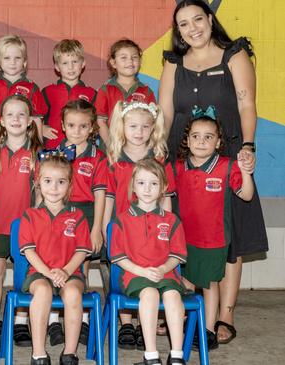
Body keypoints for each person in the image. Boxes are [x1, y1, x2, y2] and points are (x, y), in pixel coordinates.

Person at [159, 0, 268, 344]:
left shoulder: (233, 54)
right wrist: (158, 151)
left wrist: (247, 148)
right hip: (182, 160)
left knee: (228, 236)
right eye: (183, 24)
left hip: (226, 157)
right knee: (184, 233)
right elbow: (164, 112)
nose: (192, 28)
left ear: (210, 19)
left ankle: (225, 315)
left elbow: (246, 103)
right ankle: (183, 308)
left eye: (197, 20)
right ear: (177, 31)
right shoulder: (173, 63)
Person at [172, 106, 255, 350]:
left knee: (209, 285)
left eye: (208, 137)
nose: (201, 141)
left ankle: (207, 330)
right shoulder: (178, 167)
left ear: (218, 142)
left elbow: (247, 195)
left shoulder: (227, 166)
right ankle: (188, 325)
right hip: (183, 240)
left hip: (213, 241)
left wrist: (247, 173)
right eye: (195, 136)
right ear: (187, 140)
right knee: (185, 284)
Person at [102, 101, 174, 351]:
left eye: (145, 126)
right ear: (122, 127)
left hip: (152, 232)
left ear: (153, 128)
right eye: (133, 126)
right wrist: (104, 228)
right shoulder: (113, 159)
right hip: (122, 230)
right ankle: (126, 325)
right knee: (123, 274)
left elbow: (167, 196)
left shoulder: (160, 159)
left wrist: (166, 229)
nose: (139, 131)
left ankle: (147, 325)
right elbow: (108, 196)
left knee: (150, 271)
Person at [110, 159, 187, 365]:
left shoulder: (171, 220)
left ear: (163, 187)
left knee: (172, 296)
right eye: (142, 183)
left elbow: (178, 255)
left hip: (165, 274)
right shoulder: (123, 219)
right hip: (135, 275)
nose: (147, 189)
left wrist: (162, 268)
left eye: (154, 183)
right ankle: (151, 356)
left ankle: (177, 355)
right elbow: (118, 257)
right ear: (133, 186)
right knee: (150, 294)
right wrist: (142, 272)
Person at [19, 151, 92, 365]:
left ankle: (69, 353)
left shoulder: (77, 216)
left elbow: (82, 250)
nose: (54, 187)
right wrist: (48, 272)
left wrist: (66, 271)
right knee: (42, 291)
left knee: (72, 294)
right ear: (38, 183)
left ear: (69, 186)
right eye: (48, 181)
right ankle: (39, 353)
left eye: (61, 182)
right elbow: (29, 251)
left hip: (71, 273)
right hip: (39, 273)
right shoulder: (30, 215)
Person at [0, 95, 42, 345]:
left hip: (24, 228)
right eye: (10, 115)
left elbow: (40, 191)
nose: (16, 119)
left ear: (29, 121)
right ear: (2, 122)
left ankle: (19, 322)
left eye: (21, 115)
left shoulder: (36, 153)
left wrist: (37, 221)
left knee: (22, 275)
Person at [58, 100, 108, 345]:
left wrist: (97, 227)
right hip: (59, 211)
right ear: (63, 126)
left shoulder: (97, 157)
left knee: (82, 266)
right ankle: (54, 321)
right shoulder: (54, 152)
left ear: (92, 128)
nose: (76, 131)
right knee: (56, 260)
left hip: (87, 213)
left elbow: (100, 195)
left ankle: (83, 320)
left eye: (83, 126)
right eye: (71, 125)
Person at [0, 35, 47, 148]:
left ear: (24, 61)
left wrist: (39, 147)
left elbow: (37, 120)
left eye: (17, 58)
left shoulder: (32, 88)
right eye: (7, 58)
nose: (12, 62)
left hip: (23, 147)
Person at [95, 39, 156, 146]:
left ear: (140, 61)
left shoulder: (147, 91)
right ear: (113, 63)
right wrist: (111, 145)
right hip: (111, 149)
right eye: (123, 58)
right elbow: (100, 121)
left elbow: (152, 122)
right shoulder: (105, 90)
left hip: (138, 149)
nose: (130, 61)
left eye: (134, 57)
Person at [42, 39, 97, 149]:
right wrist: (41, 128)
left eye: (75, 62)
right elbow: (35, 118)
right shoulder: (48, 91)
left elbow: (97, 122)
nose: (70, 67)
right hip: (54, 146)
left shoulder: (91, 93)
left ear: (83, 64)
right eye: (65, 63)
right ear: (57, 67)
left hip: (82, 148)